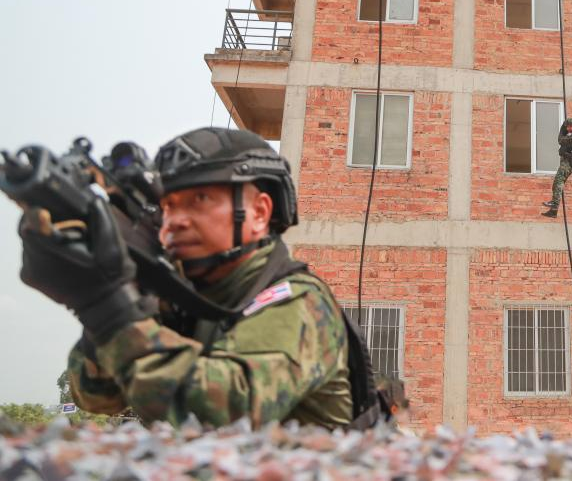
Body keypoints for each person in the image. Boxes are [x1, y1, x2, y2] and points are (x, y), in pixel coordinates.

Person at [19, 128, 354, 429]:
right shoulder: (187, 300)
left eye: (200, 200)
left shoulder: (298, 301)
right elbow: (96, 396)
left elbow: (224, 411)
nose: (175, 221)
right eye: (169, 206)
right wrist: (119, 295)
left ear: (259, 213)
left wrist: (109, 307)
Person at [542, 117, 572, 218]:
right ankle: (553, 211)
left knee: (558, 182)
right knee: (556, 184)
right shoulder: (570, 134)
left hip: (568, 163)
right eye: (567, 127)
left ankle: (554, 203)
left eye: (570, 126)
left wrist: (561, 129)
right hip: (566, 162)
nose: (568, 128)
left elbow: (560, 141)